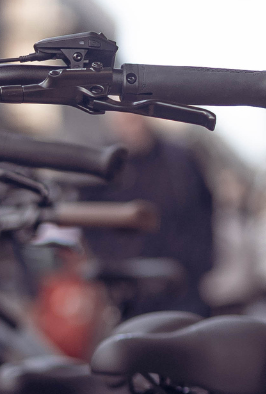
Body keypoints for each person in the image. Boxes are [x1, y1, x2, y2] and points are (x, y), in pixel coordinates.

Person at [80, 111, 217, 317]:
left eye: (132, 113)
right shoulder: (101, 168)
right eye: (120, 112)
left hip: (183, 288)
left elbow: (205, 210)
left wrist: (200, 264)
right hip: (130, 294)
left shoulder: (180, 158)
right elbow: (88, 223)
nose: (128, 119)